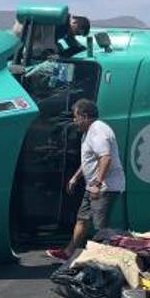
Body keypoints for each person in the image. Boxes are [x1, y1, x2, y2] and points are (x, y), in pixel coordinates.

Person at [46, 99, 125, 262]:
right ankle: (67, 253)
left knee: (100, 227)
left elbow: (105, 158)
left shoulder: (98, 131)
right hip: (93, 185)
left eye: (75, 117)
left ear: (85, 116)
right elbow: (89, 160)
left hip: (105, 187)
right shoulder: (88, 132)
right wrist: (76, 177)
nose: (74, 121)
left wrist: (97, 184)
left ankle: (108, 261)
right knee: (82, 219)